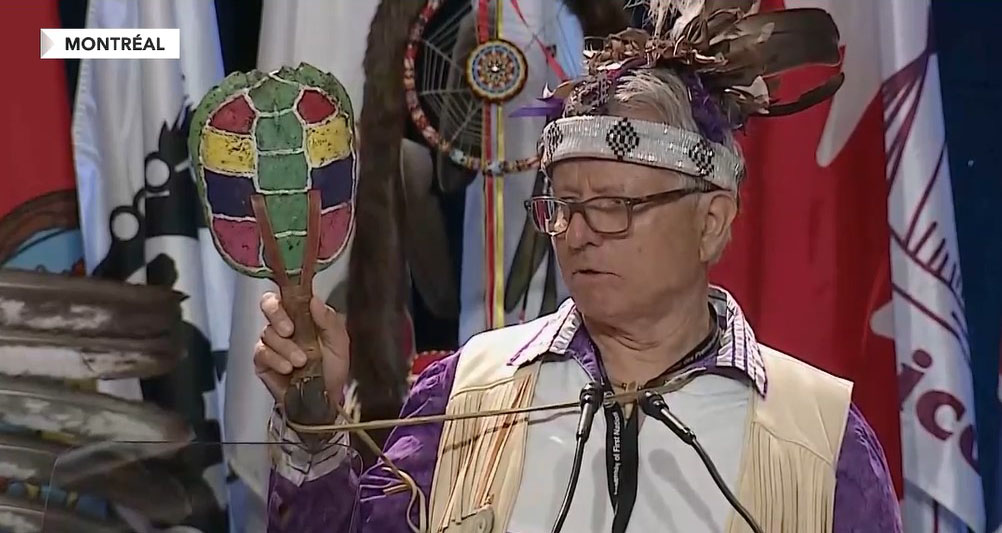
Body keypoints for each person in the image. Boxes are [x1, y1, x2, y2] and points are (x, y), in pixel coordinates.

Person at [255, 3, 902, 532]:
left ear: (712, 221)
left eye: (617, 205)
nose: (581, 232)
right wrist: (312, 424)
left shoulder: (817, 438)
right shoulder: (469, 391)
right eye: (563, 205)